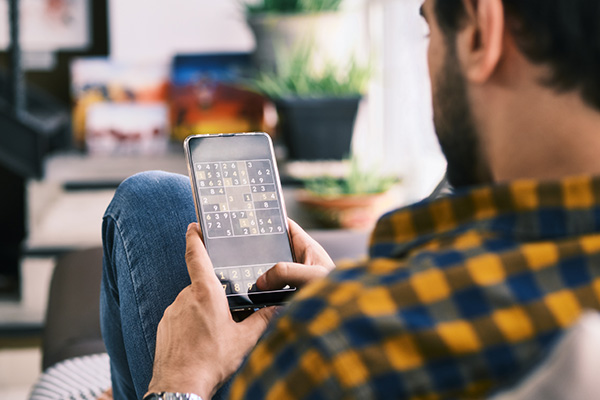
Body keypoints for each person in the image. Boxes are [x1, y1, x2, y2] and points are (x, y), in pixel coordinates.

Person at [100, 0, 600, 398]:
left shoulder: (339, 347)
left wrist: (178, 382)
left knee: (149, 203)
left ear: (479, 30)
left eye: (429, 29)